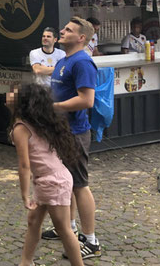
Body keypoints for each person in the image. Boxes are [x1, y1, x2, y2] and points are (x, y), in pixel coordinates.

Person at [6, 83, 84, 266]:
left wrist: (25, 195)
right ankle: (26, 262)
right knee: (34, 221)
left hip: (52, 182)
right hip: (49, 180)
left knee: (63, 229)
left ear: (22, 102)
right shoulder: (34, 122)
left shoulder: (21, 128)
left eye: (12, 93)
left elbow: (24, 166)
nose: (7, 94)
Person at [46, 16, 101, 259]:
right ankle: (68, 228)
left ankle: (91, 241)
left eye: (68, 30)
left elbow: (87, 99)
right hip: (61, 132)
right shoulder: (63, 61)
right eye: (63, 28)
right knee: (66, 184)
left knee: (79, 185)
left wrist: (55, 106)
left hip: (76, 134)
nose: (61, 31)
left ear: (81, 38)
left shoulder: (82, 62)